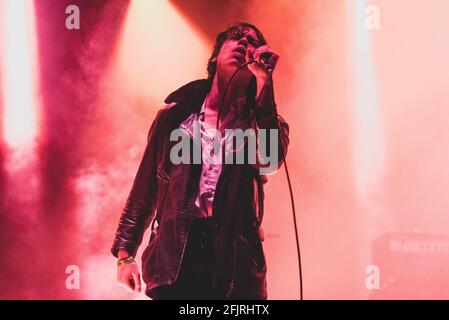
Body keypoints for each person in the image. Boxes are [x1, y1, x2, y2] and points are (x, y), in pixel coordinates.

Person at [111, 22, 289, 300]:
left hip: (234, 262)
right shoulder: (173, 117)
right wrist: (125, 254)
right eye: (235, 37)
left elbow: (269, 160)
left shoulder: (262, 122)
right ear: (215, 55)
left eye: (252, 41)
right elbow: (144, 190)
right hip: (175, 260)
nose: (243, 42)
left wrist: (265, 88)